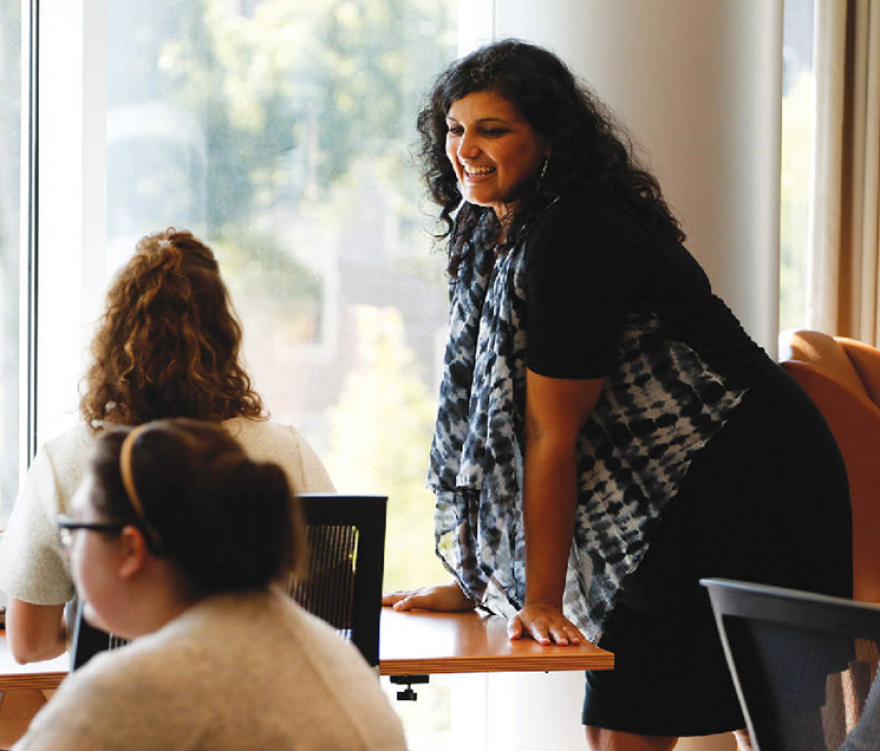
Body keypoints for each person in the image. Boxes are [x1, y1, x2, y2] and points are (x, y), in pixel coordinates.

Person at [383, 39, 852, 751]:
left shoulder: (574, 234)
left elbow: (549, 433)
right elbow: (500, 431)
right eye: (456, 128)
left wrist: (535, 596)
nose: (466, 149)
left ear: (549, 139)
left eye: (494, 129)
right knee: (615, 726)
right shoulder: (503, 228)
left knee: (772, 730)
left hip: (746, 480)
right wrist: (484, 582)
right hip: (671, 496)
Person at [0, 229, 334, 664]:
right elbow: (333, 608)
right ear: (224, 339)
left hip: (125, 716)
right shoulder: (287, 454)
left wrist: (102, 627)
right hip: (264, 714)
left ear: (114, 338)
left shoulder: (65, 462)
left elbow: (30, 645)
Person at [11, 418, 406, 751]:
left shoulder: (119, 698)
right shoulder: (336, 657)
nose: (67, 552)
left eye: (74, 530)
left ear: (131, 547)